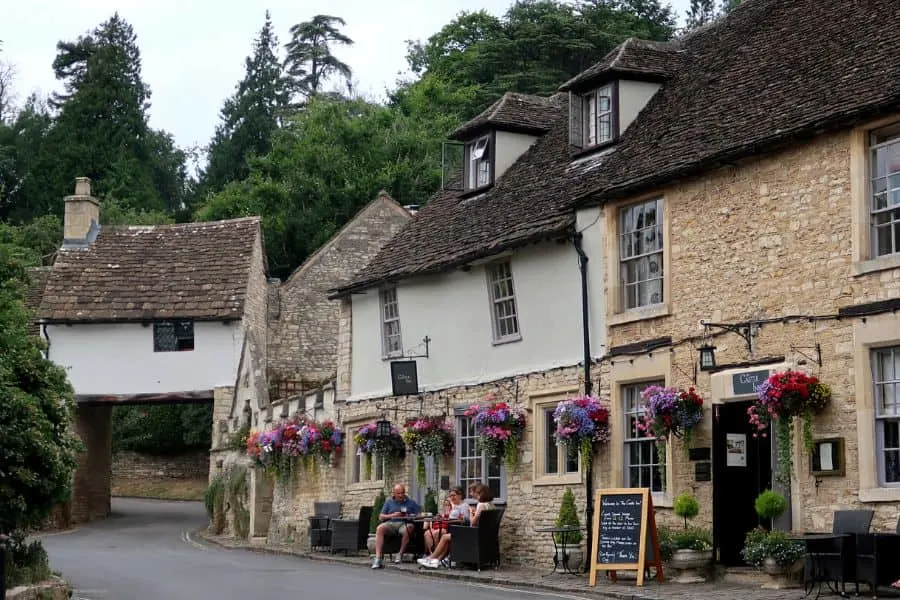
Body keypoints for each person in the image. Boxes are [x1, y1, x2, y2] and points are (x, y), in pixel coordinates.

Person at [417, 482, 494, 569]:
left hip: (473, 534)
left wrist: (471, 512)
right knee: (442, 535)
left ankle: (432, 559)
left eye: (473, 492)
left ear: (479, 493)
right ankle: (436, 559)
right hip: (482, 534)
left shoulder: (480, 505)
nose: (471, 494)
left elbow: (472, 523)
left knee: (445, 536)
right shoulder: (490, 504)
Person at [371, 483, 421, 569]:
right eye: (398, 493)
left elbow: (419, 515)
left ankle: (400, 554)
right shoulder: (389, 502)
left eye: (402, 493)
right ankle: (378, 558)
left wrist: (409, 516)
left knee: (409, 527)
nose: (401, 495)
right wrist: (392, 515)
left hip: (404, 523)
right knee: (380, 528)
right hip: (391, 523)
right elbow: (381, 517)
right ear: (394, 493)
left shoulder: (411, 502)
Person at [423, 486, 468, 554]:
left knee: (436, 533)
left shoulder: (463, 505)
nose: (452, 497)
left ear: (460, 495)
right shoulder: (455, 505)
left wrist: (448, 518)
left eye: (453, 495)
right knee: (427, 533)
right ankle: (432, 553)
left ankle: (437, 555)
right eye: (450, 496)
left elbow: (463, 519)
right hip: (449, 527)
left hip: (455, 529)